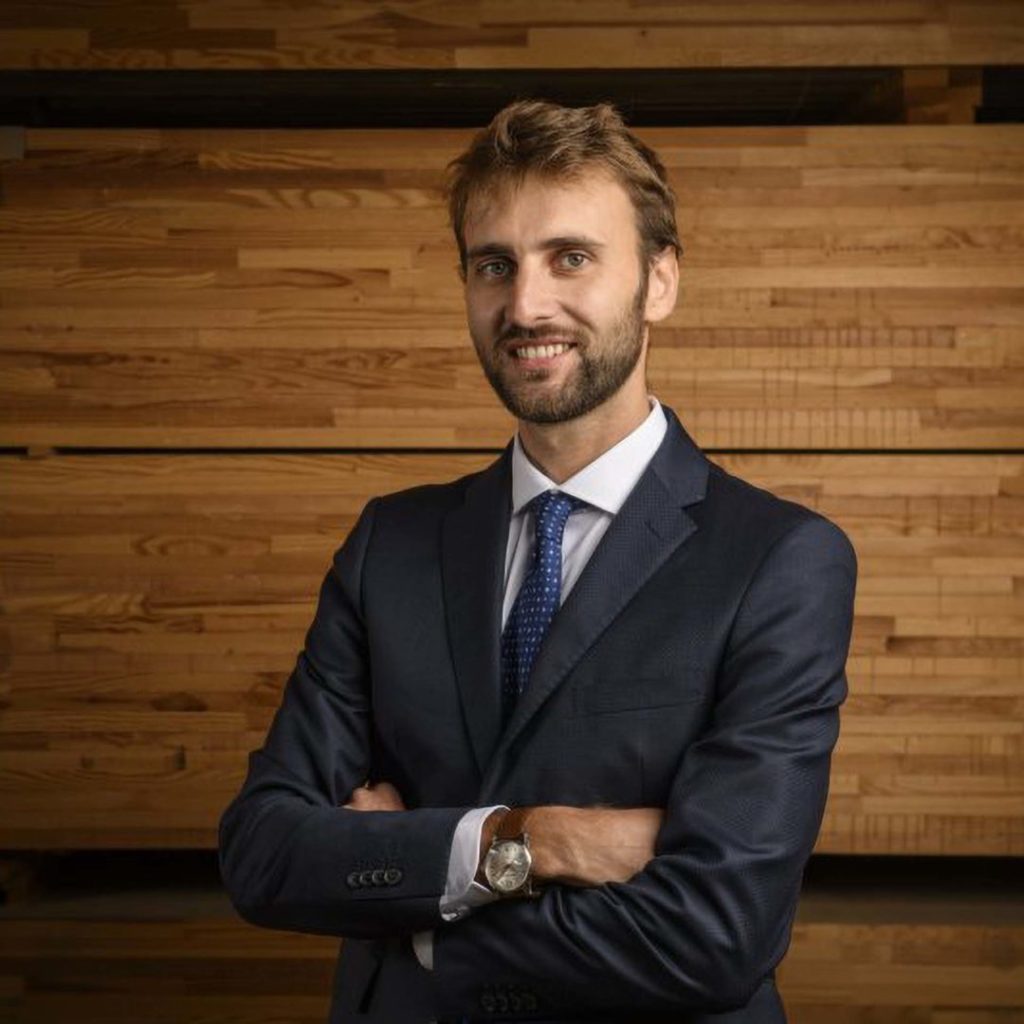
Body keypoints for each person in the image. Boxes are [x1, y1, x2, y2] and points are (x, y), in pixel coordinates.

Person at [218, 99, 858, 1023]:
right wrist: (531, 841)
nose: (525, 306)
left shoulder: (781, 561)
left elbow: (720, 934)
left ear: (660, 281)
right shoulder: (390, 545)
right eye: (494, 266)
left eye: (572, 258)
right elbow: (263, 854)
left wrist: (415, 914)